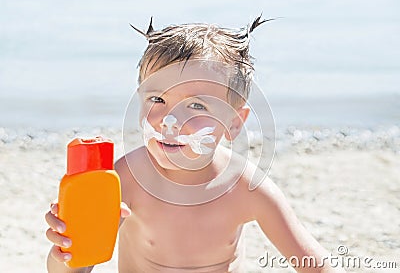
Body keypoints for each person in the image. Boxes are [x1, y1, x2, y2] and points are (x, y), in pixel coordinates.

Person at [45, 16, 344, 272]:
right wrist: (65, 248)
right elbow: (77, 267)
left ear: (233, 123)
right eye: (157, 99)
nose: (168, 120)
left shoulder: (248, 188)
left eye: (197, 106)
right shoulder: (123, 180)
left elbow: (314, 263)